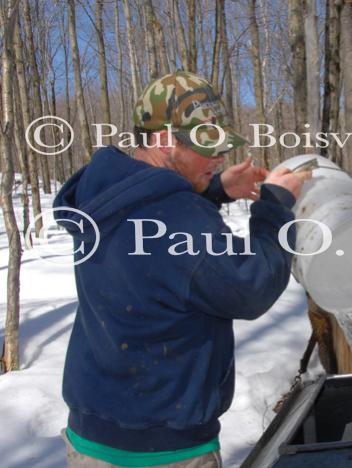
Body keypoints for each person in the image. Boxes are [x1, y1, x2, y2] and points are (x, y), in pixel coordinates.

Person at [53, 71, 310, 467]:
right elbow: (251, 286)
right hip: (164, 447)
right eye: (206, 145)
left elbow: (154, 230)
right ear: (163, 140)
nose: (220, 156)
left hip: (92, 434)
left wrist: (215, 188)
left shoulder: (101, 187)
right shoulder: (179, 215)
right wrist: (274, 206)